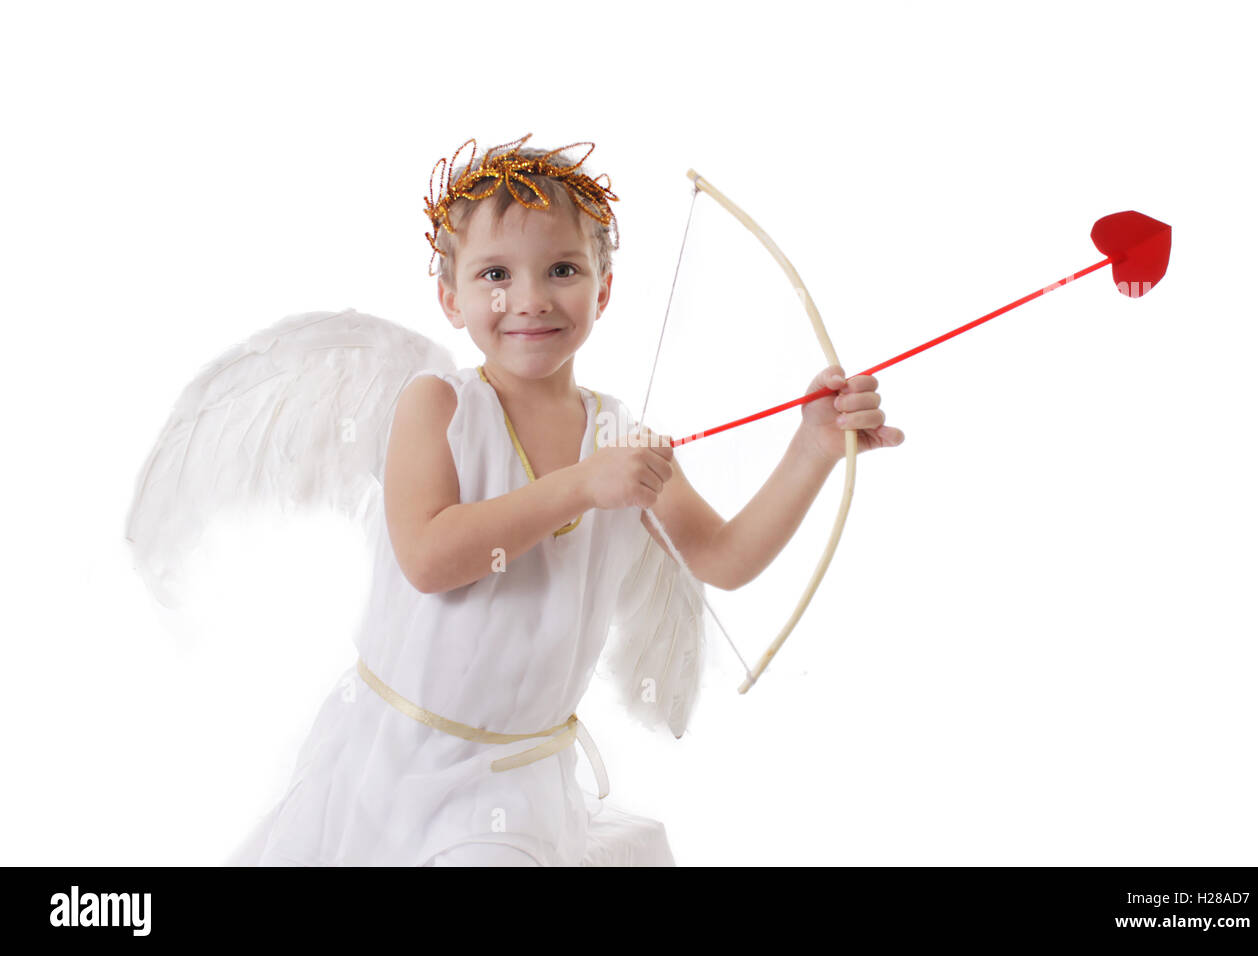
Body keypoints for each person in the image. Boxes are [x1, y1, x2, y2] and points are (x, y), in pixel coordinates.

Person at [133, 134, 903, 867]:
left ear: (603, 290)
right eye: (495, 274)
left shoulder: (618, 437)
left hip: (515, 783)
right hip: (391, 757)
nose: (529, 299)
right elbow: (432, 558)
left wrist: (811, 448)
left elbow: (724, 558)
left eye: (562, 270)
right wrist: (580, 484)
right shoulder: (435, 407)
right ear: (449, 296)